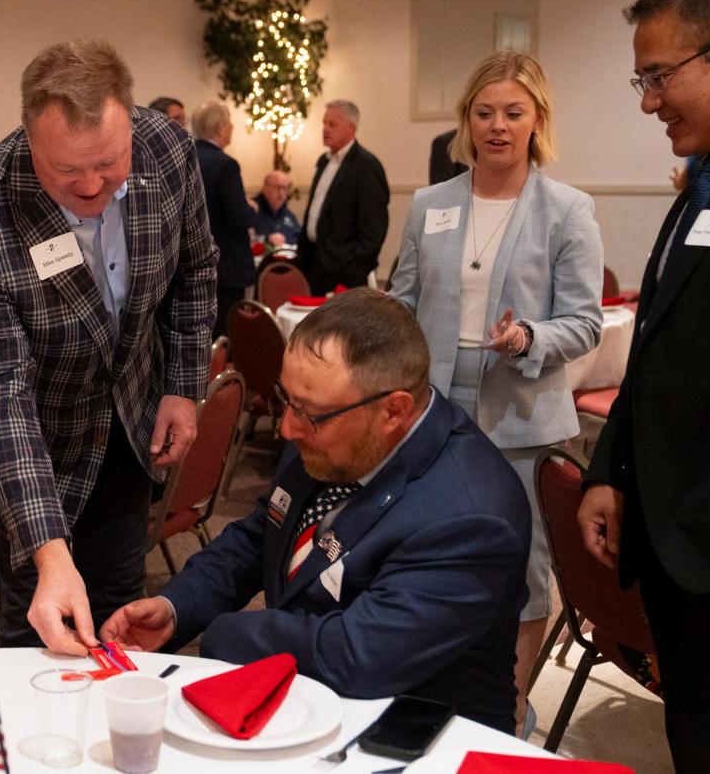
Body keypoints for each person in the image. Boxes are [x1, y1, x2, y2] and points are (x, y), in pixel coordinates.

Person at [101, 288, 529, 733]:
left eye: (307, 413)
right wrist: (174, 608)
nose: (287, 428)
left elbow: (358, 657)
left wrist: (224, 632)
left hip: (412, 739)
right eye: (286, 401)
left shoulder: (472, 517)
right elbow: (260, 537)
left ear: (393, 411)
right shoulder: (333, 434)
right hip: (307, 707)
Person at [0, 40, 217, 655]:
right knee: (38, 629)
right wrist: (49, 553)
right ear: (28, 139)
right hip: (35, 444)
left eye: (109, 164)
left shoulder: (168, 150)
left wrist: (183, 385)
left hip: (129, 429)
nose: (92, 185)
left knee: (121, 612)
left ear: (131, 127)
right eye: (67, 172)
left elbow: (196, 270)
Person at [389, 50, 602, 735]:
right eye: (485, 112)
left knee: (526, 568)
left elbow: (585, 321)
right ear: (467, 120)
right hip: (435, 421)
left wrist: (530, 338)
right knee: (426, 553)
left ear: (537, 119)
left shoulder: (567, 210)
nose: (498, 126)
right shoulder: (431, 205)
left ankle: (504, 708)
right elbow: (403, 302)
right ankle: (438, 681)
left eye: (513, 112)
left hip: (523, 422)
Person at [578, 0, 710, 772]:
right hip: (678, 550)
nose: (647, 101)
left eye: (660, 76)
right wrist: (612, 467)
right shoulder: (704, 185)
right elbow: (660, 349)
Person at [297, 100, 389, 294]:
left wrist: (354, 268)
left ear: (351, 128)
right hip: (315, 264)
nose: (325, 129)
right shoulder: (324, 161)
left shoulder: (366, 166)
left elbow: (374, 229)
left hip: (344, 272)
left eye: (332, 124)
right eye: (324, 123)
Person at [193, 100, 258, 337]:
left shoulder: (186, 158)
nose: (232, 128)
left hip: (193, 260)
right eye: (230, 123)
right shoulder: (225, 165)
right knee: (225, 332)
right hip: (226, 263)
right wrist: (253, 209)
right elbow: (238, 217)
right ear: (220, 128)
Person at [254, 169, 301, 246]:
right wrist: (267, 239)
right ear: (264, 187)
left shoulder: (289, 215)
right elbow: (244, 240)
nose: (281, 192)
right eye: (278, 187)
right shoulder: (252, 211)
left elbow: (300, 238)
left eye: (285, 188)